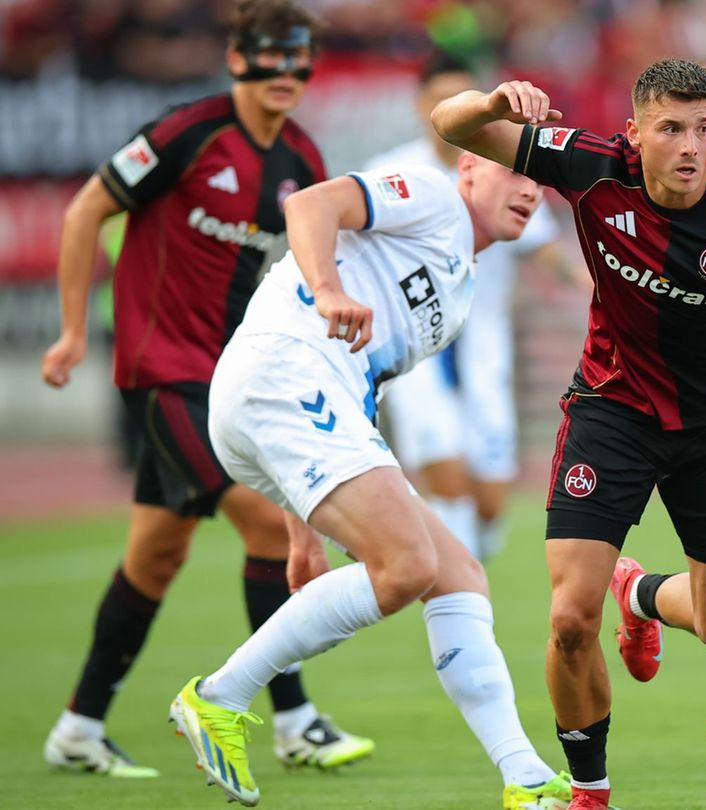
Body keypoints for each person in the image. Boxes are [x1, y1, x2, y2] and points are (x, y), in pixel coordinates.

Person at [432, 57, 706, 809]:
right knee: (567, 618)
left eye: (704, 129)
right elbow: (451, 125)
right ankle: (591, 792)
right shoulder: (592, 167)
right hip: (612, 406)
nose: (691, 146)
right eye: (671, 129)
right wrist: (494, 100)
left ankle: (643, 595)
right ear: (636, 133)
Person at [168, 155, 572, 809]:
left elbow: (360, 386)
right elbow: (308, 206)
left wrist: (301, 527)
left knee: (458, 574)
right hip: (284, 370)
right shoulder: (434, 194)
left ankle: (523, 775)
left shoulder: (460, 291)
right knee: (406, 565)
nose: (530, 190)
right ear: (468, 167)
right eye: (513, 171)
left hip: (299, 401)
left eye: (539, 181)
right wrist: (326, 288)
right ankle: (220, 696)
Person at [38, 0, 372, 776]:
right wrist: (73, 333)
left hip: (228, 382)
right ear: (236, 59)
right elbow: (86, 209)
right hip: (162, 374)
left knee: (153, 558)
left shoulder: (301, 160)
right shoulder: (187, 131)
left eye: (299, 58)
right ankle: (293, 719)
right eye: (270, 55)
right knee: (267, 527)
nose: (285, 71)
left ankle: (77, 727)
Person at [367, 51, 584, 561]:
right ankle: (456, 595)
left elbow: (546, 249)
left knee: (489, 499)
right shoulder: (391, 171)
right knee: (446, 475)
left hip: (482, 344)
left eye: (462, 94)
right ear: (422, 105)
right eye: (441, 97)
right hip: (416, 345)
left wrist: (598, 286)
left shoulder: (509, 166)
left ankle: (465, 569)